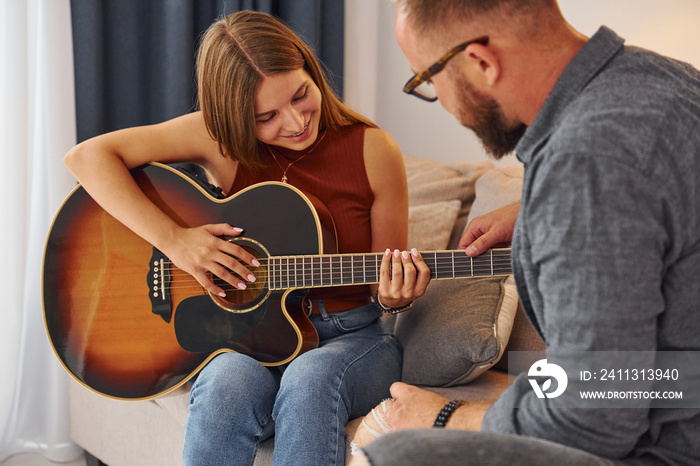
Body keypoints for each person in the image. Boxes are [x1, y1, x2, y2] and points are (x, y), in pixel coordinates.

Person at [64, 10, 430, 466]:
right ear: (233, 118)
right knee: (223, 386)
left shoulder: (374, 149)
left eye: (301, 94)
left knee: (310, 380)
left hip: (351, 338)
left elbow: (384, 287)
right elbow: (88, 157)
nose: (296, 121)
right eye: (266, 116)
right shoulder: (218, 140)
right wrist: (177, 241)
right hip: (248, 335)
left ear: (312, 71)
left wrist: (397, 296)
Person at [351, 0, 700, 465]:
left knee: (399, 452)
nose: (443, 101)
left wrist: (444, 415)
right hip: (672, 379)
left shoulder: (586, 162)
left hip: (670, 440)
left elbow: (594, 413)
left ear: (481, 61)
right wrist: (539, 209)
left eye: (429, 81)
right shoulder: (667, 80)